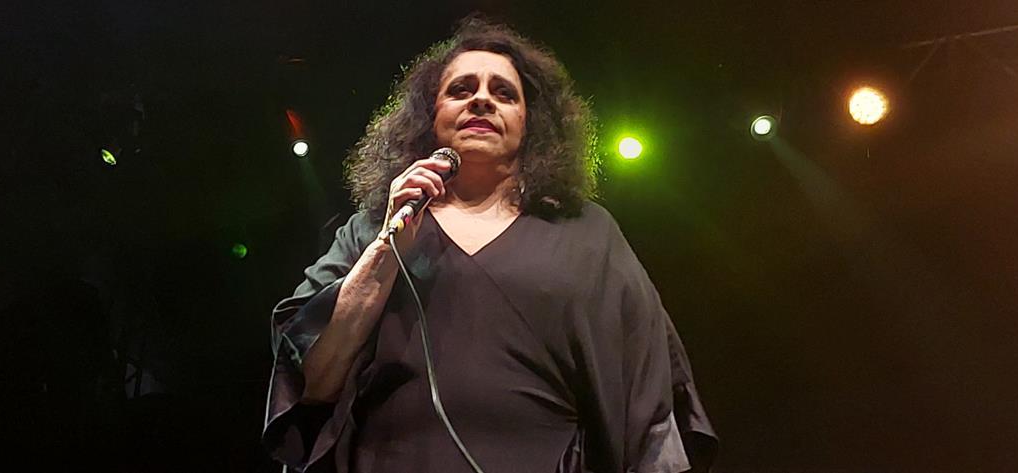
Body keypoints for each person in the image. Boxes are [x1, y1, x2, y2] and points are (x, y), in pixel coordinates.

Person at [263, 18, 717, 472]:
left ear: (530, 123)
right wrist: (386, 248)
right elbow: (313, 381)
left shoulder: (588, 233)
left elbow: (648, 392)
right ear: (429, 116)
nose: (481, 99)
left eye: (504, 93)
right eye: (461, 89)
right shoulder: (372, 229)